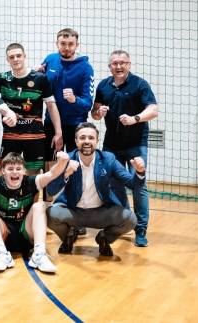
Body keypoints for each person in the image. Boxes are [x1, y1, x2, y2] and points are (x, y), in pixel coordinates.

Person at [46, 122, 146, 257]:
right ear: (76, 141)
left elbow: (132, 184)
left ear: (97, 141)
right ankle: (69, 235)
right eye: (82, 138)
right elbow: (51, 190)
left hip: (101, 213)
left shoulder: (108, 159)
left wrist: (140, 172)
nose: (87, 141)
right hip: (74, 212)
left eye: (91, 138)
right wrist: (66, 174)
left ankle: (104, 238)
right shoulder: (67, 159)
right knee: (50, 214)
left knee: (130, 220)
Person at [92, 50, 158, 247]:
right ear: (109, 66)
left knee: (139, 185)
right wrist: (98, 112)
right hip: (112, 144)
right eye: (115, 63)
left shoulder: (140, 84)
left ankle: (141, 229)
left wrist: (135, 119)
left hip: (136, 144)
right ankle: (126, 220)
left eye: (123, 63)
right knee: (114, 183)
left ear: (129, 64)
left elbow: (153, 110)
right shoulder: (103, 85)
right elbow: (94, 113)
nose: (119, 66)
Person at [0, 152, 73, 274]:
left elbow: (52, 174)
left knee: (39, 206)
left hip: (26, 234)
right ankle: (1, 254)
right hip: (4, 235)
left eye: (18, 169)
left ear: (24, 171)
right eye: (10, 169)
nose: (15, 172)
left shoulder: (31, 182)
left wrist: (63, 161)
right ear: (3, 171)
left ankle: (39, 254)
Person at [0, 43, 63, 175]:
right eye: (12, 57)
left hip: (34, 136)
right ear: (7, 59)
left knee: (33, 175)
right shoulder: (2, 78)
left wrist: (58, 132)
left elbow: (51, 106)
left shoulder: (40, 78)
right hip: (11, 136)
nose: (15, 59)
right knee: (8, 173)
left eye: (18, 56)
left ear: (24, 56)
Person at [40, 28, 94, 156]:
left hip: (75, 125)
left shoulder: (86, 68)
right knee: (49, 163)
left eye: (71, 44)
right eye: (63, 44)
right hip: (51, 123)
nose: (67, 48)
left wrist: (75, 100)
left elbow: (88, 104)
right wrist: (36, 73)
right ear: (57, 44)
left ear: (77, 45)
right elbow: (41, 86)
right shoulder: (50, 59)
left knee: (74, 165)